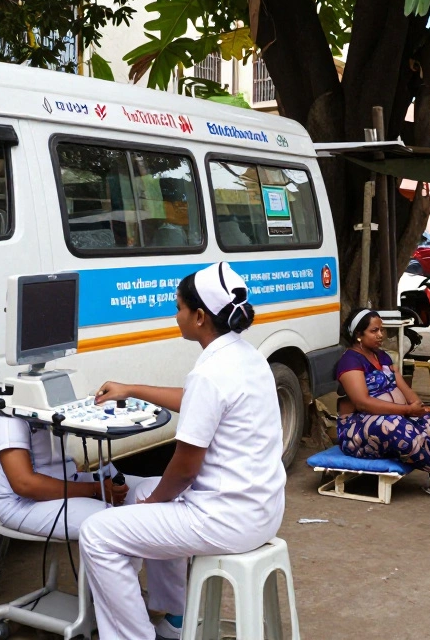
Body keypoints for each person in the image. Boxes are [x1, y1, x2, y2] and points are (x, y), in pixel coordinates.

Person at [80, 262, 287, 640]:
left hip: (225, 519)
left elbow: (186, 468)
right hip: (263, 509)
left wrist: (156, 502)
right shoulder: (247, 356)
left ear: (200, 317)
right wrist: (131, 389)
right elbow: (196, 400)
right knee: (144, 490)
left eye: (179, 308)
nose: (175, 316)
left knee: (97, 533)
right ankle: (177, 618)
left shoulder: (211, 373)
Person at [335, 308, 430, 491]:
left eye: (381, 330)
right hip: (357, 430)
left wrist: (420, 408)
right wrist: (407, 411)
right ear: (358, 335)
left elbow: (404, 389)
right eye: (374, 331)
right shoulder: (350, 361)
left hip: (395, 419)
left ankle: (413, 456)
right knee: (396, 428)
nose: (380, 335)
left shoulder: (381, 356)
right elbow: (363, 403)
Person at [0, 403, 130, 538]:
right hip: (22, 503)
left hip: (68, 480)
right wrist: (95, 490)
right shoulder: (7, 416)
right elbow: (24, 484)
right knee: (117, 523)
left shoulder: (49, 405)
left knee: (142, 495)